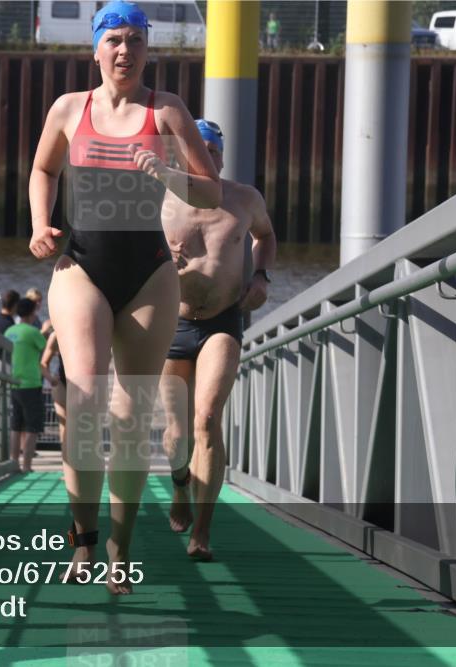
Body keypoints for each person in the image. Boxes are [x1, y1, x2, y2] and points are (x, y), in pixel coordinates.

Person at [28, 0, 221, 594]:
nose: (125, 50)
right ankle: (83, 538)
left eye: (135, 40)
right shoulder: (69, 109)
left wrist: (167, 175)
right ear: (95, 49)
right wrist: (39, 224)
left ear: (147, 49)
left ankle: (120, 549)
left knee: (133, 414)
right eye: (114, 39)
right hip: (80, 265)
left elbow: (210, 191)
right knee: (85, 398)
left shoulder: (166, 110)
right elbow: (43, 171)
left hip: (149, 273)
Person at [160, 119, 276, 561]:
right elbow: (124, 253)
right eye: (198, 150)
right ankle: (179, 487)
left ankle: (202, 532)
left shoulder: (245, 198)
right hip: (171, 323)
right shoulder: (160, 199)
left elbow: (266, 236)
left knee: (207, 418)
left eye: (213, 151)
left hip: (223, 322)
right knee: (177, 433)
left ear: (222, 158)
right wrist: (157, 259)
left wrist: (261, 276)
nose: (206, 157)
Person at [4, 298, 54, 473]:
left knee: (16, 426)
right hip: (31, 383)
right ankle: (26, 466)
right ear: (32, 313)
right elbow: (47, 346)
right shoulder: (32, 332)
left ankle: (14, 463)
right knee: (32, 427)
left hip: (14, 382)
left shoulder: (9, 331)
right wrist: (46, 330)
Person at [40, 330, 68, 447]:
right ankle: (66, 458)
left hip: (84, 384)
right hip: (62, 383)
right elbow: (43, 364)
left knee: (82, 426)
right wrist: (51, 379)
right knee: (65, 426)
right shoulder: (56, 335)